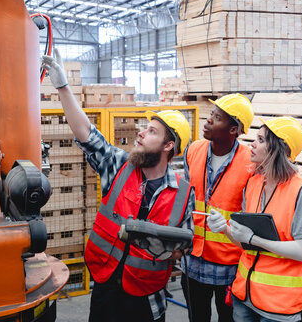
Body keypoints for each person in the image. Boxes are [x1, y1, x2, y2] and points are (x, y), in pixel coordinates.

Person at [42, 49, 195, 322]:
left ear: (168, 146)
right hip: (106, 284)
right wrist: (63, 87)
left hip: (147, 299)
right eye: (144, 127)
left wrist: (164, 250)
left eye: (151, 131)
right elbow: (86, 133)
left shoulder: (184, 195)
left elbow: (185, 245)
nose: (141, 131)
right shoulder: (120, 166)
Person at [209, 117, 302, 322]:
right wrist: (224, 229)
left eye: (260, 139)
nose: (252, 144)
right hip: (245, 296)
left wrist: (254, 240)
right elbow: (244, 242)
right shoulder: (254, 184)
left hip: (279, 306)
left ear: (277, 149)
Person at [181, 94, 254, 322]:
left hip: (230, 267)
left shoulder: (250, 163)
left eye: (217, 117)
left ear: (233, 129)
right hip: (192, 261)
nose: (209, 120)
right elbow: (186, 202)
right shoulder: (193, 151)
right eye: (211, 114)